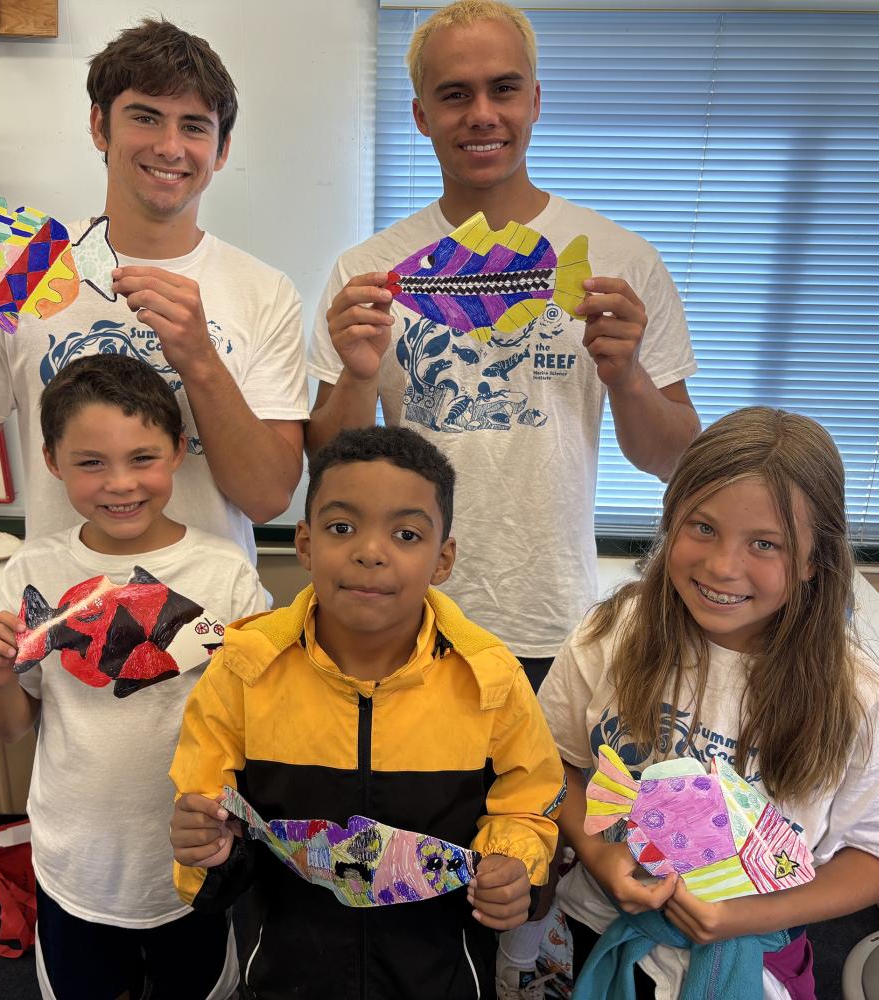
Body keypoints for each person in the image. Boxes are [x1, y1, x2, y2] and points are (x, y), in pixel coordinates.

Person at [305, 0, 700, 689]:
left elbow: (674, 459)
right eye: (455, 94)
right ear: (422, 115)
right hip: (404, 613)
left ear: (535, 101)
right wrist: (359, 377)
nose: (482, 113)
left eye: (504, 88)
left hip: (552, 619)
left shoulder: (623, 262)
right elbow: (326, 458)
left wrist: (630, 376)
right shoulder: (367, 271)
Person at [0, 18, 307, 559]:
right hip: (61, 598)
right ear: (100, 127)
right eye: (145, 117)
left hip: (212, 604)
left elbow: (268, 499)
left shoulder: (263, 291)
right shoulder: (22, 265)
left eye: (195, 126)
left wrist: (201, 359)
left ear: (221, 151)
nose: (170, 147)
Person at [168, 425, 567, 999]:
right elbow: (207, 813)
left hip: (440, 977)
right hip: (286, 976)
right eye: (341, 527)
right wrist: (206, 846)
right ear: (305, 543)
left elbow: (528, 804)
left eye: (406, 534)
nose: (371, 551)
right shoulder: (244, 670)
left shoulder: (491, 679)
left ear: (443, 559)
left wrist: (512, 864)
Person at [537, 407, 879, 999]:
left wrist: (743, 916)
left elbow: (869, 856)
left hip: (753, 956)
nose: (722, 566)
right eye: (702, 527)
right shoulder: (610, 635)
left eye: (764, 544)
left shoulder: (856, 700)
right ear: (670, 519)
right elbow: (553, 761)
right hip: (599, 927)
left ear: (812, 560)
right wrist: (594, 852)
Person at [0, 354, 266, 1000]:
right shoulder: (32, 570)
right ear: (51, 462)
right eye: (91, 462)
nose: (120, 483)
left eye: (142, 457)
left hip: (191, 856)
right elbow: (11, 728)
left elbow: (258, 721)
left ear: (179, 450)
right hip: (74, 860)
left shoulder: (226, 574)